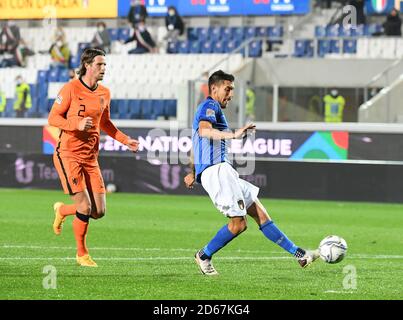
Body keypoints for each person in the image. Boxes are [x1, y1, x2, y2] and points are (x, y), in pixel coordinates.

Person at [184, 70, 319, 276]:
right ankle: (204, 255)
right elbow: (204, 131)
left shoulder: (210, 111)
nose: (230, 94)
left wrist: (192, 171)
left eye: (232, 90)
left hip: (222, 170)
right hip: (217, 171)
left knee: (261, 215)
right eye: (227, 89)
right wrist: (234, 134)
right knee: (238, 225)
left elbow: (196, 141)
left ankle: (299, 254)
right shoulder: (209, 105)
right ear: (214, 88)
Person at [48, 48, 139, 267]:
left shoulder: (104, 93)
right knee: (85, 207)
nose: (103, 69)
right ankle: (82, 254)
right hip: (68, 154)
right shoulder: (70, 88)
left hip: (90, 158)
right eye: (99, 64)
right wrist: (75, 124)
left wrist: (126, 140)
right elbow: (53, 117)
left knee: (99, 211)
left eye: (105, 65)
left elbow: (105, 123)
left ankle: (62, 210)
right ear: (87, 65)